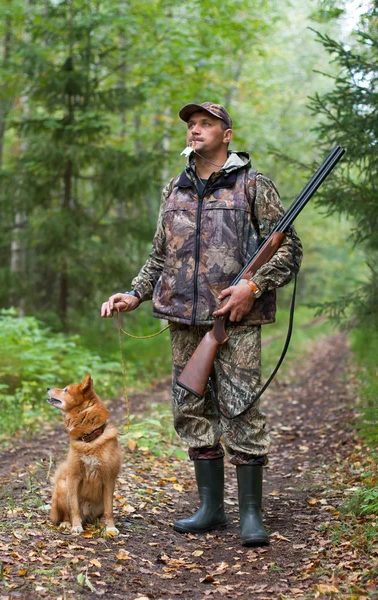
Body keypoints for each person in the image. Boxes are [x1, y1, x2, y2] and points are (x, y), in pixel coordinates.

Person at [101, 102, 303, 546]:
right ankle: (211, 509)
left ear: (226, 134)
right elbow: (160, 253)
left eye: (205, 124)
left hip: (237, 318)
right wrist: (135, 293)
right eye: (191, 125)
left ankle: (251, 515)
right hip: (182, 318)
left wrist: (251, 288)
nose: (195, 131)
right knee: (190, 410)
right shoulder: (174, 188)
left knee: (241, 408)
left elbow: (289, 251)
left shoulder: (254, 184)